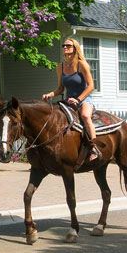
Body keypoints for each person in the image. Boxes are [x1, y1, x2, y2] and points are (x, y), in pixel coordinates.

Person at [42, 37, 100, 166]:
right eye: (64, 45)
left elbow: (91, 86)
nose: (65, 47)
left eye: (68, 45)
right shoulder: (60, 67)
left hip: (84, 100)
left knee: (85, 116)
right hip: (68, 101)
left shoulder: (81, 64)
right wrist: (50, 94)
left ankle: (94, 148)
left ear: (75, 48)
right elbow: (60, 88)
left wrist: (78, 99)